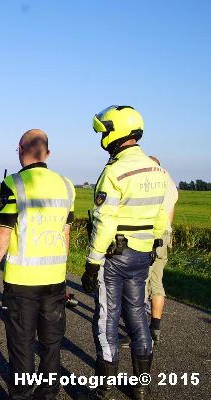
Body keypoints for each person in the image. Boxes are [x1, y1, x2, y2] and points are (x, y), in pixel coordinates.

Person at [80, 106, 168, 400]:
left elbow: (105, 222)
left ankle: (103, 386)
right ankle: (141, 385)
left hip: (115, 256)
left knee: (107, 316)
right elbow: (161, 218)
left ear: (116, 131)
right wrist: (153, 244)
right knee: (137, 317)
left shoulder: (114, 172)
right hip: (143, 254)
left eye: (105, 130)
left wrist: (92, 263)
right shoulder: (159, 171)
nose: (103, 136)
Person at [0, 129, 75, 400]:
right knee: (51, 344)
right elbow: (66, 233)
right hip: (55, 279)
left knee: (22, 346)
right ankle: (47, 394)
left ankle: (22, 395)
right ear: (47, 153)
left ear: (21, 149)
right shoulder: (67, 185)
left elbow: (4, 230)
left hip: (23, 282)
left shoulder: (14, 183)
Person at [145, 156, 178, 342]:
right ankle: (155, 327)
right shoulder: (170, 182)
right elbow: (170, 213)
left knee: (141, 281)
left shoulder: (151, 181)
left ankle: (138, 330)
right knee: (157, 281)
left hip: (150, 234)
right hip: (165, 234)